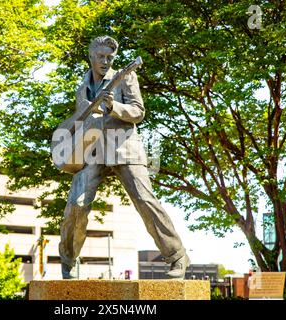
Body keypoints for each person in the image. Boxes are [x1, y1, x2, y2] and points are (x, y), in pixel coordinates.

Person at [58, 35, 190, 279]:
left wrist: (113, 107)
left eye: (110, 57)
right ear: (91, 56)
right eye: (101, 57)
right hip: (92, 152)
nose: (106, 61)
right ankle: (68, 261)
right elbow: (79, 120)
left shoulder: (126, 77)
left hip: (125, 148)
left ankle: (177, 256)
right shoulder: (81, 88)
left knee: (145, 201)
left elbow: (138, 112)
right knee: (75, 206)